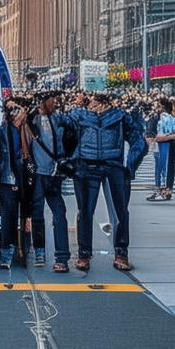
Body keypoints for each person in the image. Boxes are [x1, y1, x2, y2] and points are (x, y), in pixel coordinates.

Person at [57, 92, 146, 272]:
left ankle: (98, 254)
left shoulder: (116, 116)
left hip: (107, 165)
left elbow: (140, 141)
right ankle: (95, 254)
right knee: (94, 212)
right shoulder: (83, 115)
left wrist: (130, 165)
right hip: (95, 165)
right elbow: (139, 141)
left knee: (114, 212)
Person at [29, 91, 72, 272]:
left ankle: (62, 256)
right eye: (52, 101)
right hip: (38, 173)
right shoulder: (32, 120)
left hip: (53, 173)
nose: (55, 104)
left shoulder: (59, 119)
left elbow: (70, 137)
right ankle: (40, 252)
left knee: (59, 214)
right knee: (38, 215)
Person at [0, 97, 33, 269]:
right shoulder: (4, 130)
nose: (12, 113)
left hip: (28, 178)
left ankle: (26, 250)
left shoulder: (29, 129)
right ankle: (6, 254)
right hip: (9, 179)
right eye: (9, 110)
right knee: (8, 217)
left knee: (28, 215)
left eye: (15, 109)